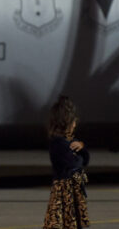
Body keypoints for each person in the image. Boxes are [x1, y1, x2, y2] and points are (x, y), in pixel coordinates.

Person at [44, 96, 90, 229]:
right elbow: (74, 164)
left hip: (73, 189)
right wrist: (79, 157)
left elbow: (85, 160)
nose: (75, 125)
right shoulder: (58, 143)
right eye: (73, 122)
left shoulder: (70, 140)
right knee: (63, 221)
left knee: (74, 222)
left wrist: (81, 148)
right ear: (66, 122)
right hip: (64, 191)